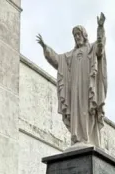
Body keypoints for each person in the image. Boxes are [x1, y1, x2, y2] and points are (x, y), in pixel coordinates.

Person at [36, 13, 107, 147]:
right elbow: (57, 60)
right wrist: (45, 48)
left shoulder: (91, 49)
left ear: (84, 35)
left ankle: (87, 138)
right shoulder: (70, 55)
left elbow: (100, 48)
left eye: (79, 35)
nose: (77, 38)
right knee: (76, 112)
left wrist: (100, 28)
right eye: (75, 36)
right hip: (75, 91)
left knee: (87, 111)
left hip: (87, 88)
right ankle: (77, 139)